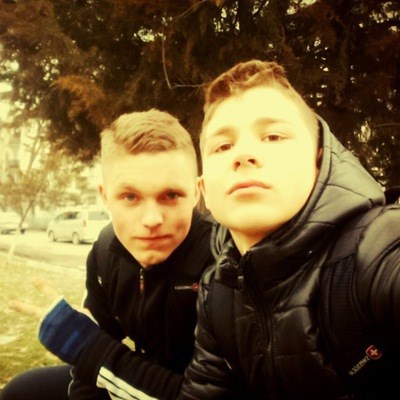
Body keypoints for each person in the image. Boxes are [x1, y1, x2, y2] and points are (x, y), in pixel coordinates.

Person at [177, 60, 400, 399]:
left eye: (273, 136)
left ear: (319, 161)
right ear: (204, 190)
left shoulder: (378, 249)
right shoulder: (218, 293)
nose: (244, 154)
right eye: (223, 146)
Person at [2, 109, 216, 400]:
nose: (152, 219)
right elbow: (90, 363)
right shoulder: (105, 250)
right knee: (22, 391)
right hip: (132, 374)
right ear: (105, 196)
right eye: (130, 197)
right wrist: (88, 350)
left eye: (171, 195)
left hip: (193, 390)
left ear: (196, 193)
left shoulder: (222, 261)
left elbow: (206, 395)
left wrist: (87, 347)